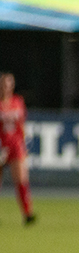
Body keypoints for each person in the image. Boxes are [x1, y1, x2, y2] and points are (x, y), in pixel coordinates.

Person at [0, 72, 36, 226]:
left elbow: (21, 124)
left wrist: (24, 143)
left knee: (21, 179)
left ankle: (27, 214)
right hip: (1, 145)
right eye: (4, 83)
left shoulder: (17, 101)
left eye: (9, 83)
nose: (7, 86)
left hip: (15, 145)